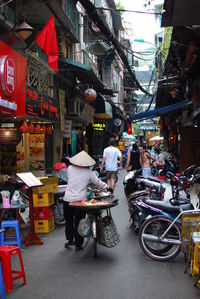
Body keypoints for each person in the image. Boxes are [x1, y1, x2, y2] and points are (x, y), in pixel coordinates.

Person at [63, 151, 109, 251]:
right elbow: (98, 182)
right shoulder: (89, 172)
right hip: (80, 201)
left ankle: (70, 240)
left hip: (67, 199)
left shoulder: (70, 168)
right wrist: (107, 188)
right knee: (79, 222)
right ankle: (78, 245)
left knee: (69, 221)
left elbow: (69, 179)